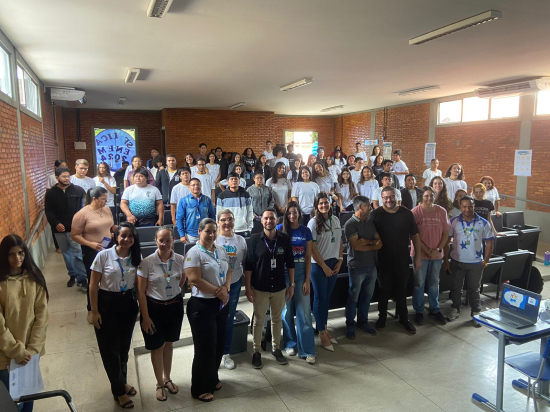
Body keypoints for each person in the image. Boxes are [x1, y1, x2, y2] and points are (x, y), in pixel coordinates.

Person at [89, 222, 141, 409]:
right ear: (116, 237)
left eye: (130, 236)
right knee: (110, 350)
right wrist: (94, 311)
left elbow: (138, 284)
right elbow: (93, 285)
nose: (127, 239)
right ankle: (119, 391)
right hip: (107, 304)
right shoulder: (103, 255)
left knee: (123, 349)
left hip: (127, 304)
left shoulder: (136, 256)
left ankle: (121, 382)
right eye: (123, 235)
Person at [0, 234, 48, 412]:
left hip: (29, 355)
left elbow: (41, 317)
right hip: (6, 357)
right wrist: (16, 351)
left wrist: (33, 349)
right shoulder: (1, 284)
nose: (17, 258)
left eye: (20, 253)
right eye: (11, 254)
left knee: (29, 400)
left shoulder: (34, 279)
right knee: (13, 406)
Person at [184, 218, 231, 402]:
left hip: (220, 303)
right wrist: (219, 292)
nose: (211, 235)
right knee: (205, 347)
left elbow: (229, 270)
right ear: (199, 232)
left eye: (214, 231)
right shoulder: (194, 253)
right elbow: (194, 279)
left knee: (219, 343)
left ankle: (212, 377)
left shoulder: (220, 250)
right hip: (202, 305)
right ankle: (199, 387)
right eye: (207, 231)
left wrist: (226, 288)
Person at [137, 227, 186, 402]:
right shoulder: (146, 263)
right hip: (154, 309)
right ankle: (159, 384)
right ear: (155, 241)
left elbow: (182, 280)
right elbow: (141, 291)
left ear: (173, 240)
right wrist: (145, 316)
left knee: (169, 343)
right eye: (161, 240)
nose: (164, 244)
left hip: (174, 307)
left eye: (168, 240)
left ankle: (167, 378)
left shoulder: (180, 259)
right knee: (157, 346)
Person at [245, 209, 295, 369]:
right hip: (259, 287)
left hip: (279, 287)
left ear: (277, 220)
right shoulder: (254, 239)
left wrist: (292, 285)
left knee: (277, 319)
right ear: (261, 221)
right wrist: (248, 287)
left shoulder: (284, 239)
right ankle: (256, 351)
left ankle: (276, 348)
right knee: (259, 320)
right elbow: (248, 265)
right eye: (266, 218)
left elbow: (290, 263)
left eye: (272, 218)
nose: (269, 221)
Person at [369, 186, 421, 334]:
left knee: (401, 290)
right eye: (385, 197)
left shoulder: (407, 214)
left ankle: (404, 319)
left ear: (397, 197)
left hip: (402, 259)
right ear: (381, 198)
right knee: (383, 290)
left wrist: (417, 256)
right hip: (382, 260)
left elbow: (415, 235)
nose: (388, 200)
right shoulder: (375, 215)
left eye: (391, 197)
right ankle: (382, 318)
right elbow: (369, 237)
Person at [446, 196, 495, 327]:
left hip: (476, 262)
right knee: (456, 287)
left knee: (474, 289)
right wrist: (446, 260)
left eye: (470, 206)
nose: (467, 209)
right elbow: (446, 241)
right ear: (460, 207)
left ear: (474, 206)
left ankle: (476, 312)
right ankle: (455, 309)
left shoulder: (484, 222)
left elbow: (489, 243)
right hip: (457, 261)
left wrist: (485, 261)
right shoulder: (453, 221)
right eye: (464, 206)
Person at [277, 202, 316, 364]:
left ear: (299, 213)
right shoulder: (280, 229)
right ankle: (290, 343)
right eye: (289, 213)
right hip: (284, 273)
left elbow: (308, 257)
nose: (292, 215)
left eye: (294, 212)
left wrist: (307, 279)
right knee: (286, 311)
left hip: (301, 272)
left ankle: (307, 349)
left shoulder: (305, 230)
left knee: (304, 311)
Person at [71, 186, 116, 322]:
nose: (106, 202)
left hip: (108, 247)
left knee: (109, 276)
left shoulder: (107, 209)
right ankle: (91, 309)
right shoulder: (82, 214)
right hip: (92, 250)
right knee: (94, 280)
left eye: (107, 199)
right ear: (94, 199)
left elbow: (111, 226)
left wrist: (116, 230)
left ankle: (108, 304)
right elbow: (75, 235)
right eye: (103, 199)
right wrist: (90, 244)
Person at [308, 193, 343, 351]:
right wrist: (324, 266)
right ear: (317, 206)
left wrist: (340, 259)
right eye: (321, 203)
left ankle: (325, 326)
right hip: (318, 265)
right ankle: (321, 331)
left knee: (327, 297)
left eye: (326, 203)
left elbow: (340, 241)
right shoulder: (313, 223)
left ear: (330, 204)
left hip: (333, 262)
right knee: (320, 298)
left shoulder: (335, 220)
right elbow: (312, 248)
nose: (324, 205)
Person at [411, 186, 449, 326]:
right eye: (426, 196)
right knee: (419, 284)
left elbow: (445, 233)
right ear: (421, 197)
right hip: (420, 254)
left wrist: (438, 249)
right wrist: (426, 250)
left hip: (437, 254)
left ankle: (435, 309)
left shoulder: (441, 211)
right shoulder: (415, 212)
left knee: (434, 283)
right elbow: (414, 235)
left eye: (431, 195)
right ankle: (419, 311)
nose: (429, 198)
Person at [344, 196, 381, 339]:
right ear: (360, 207)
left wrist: (367, 242)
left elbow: (380, 242)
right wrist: (373, 244)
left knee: (367, 296)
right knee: (353, 297)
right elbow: (356, 246)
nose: (370, 208)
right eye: (368, 205)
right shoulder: (350, 224)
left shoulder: (370, 223)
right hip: (357, 266)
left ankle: (363, 322)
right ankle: (350, 324)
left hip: (371, 265)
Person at [44, 166, 88, 289]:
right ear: (57, 178)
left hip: (75, 230)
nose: (67, 178)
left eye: (68, 176)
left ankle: (82, 278)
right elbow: (49, 211)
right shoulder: (51, 193)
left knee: (78, 254)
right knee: (67, 254)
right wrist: (56, 223)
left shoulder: (78, 191)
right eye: (63, 176)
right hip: (59, 230)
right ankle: (72, 275)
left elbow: (84, 208)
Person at [216, 210, 247, 370]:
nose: (227, 223)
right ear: (218, 222)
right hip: (215, 286)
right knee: (214, 319)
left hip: (234, 284)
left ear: (234, 221)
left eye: (230, 219)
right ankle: (213, 352)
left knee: (228, 319)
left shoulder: (241, 240)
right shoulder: (213, 238)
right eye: (223, 220)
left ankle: (225, 352)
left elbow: (245, 263)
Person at [176, 178, 216, 243]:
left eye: (198, 185)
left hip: (206, 233)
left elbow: (212, 216)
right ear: (189, 187)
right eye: (193, 185)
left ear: (201, 186)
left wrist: (213, 231)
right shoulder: (184, 201)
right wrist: (182, 235)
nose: (196, 186)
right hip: (191, 235)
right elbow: (179, 219)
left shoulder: (207, 200)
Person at [216, 172, 254, 236]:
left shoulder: (246, 194)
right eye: (232, 179)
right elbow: (218, 214)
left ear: (239, 181)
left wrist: (250, 227)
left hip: (244, 229)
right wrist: (220, 228)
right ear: (228, 182)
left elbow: (250, 212)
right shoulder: (222, 196)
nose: (234, 181)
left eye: (236, 179)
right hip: (228, 229)